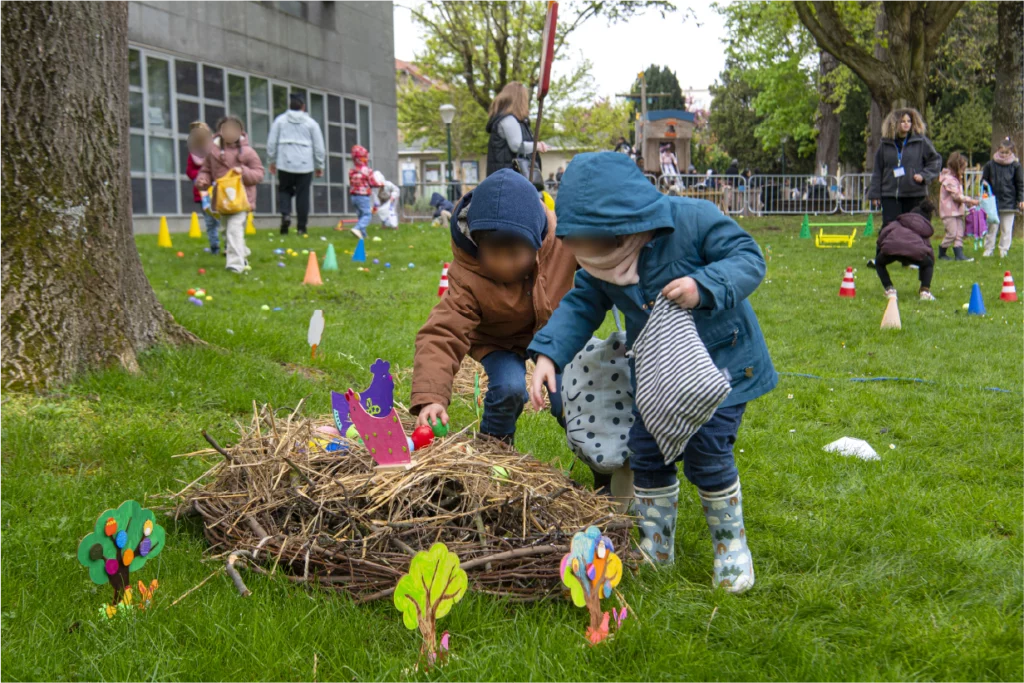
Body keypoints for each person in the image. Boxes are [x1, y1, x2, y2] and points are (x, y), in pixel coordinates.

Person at [528, 152, 776, 592]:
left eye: (599, 249)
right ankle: (656, 544)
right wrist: (548, 355)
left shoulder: (693, 220)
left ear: (628, 226)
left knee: (707, 452)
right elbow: (581, 304)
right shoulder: (600, 262)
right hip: (659, 377)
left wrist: (705, 287)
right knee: (647, 451)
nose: (595, 262)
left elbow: (748, 257)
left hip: (721, 372)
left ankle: (731, 548)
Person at [411, 169, 577, 447]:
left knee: (571, 394)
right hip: (499, 341)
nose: (503, 264)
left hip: (555, 336)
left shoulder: (564, 241)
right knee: (509, 388)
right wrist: (432, 398)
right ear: (477, 244)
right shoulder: (468, 275)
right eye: (493, 254)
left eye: (514, 255)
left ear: (536, 242)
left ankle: (601, 465)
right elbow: (442, 333)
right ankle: (494, 448)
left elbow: (598, 267)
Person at [195, 116, 264, 274]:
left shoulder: (248, 152)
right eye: (227, 129)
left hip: (241, 199)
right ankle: (242, 252)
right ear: (220, 131)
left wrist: (244, 171)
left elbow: (259, 174)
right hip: (223, 200)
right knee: (227, 231)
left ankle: (235, 264)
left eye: (234, 129)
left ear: (241, 132)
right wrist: (203, 180)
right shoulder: (212, 152)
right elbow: (206, 170)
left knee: (234, 229)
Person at [868, 108, 942, 226]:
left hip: (914, 194)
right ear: (894, 124)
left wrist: (924, 175)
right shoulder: (884, 145)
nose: (906, 123)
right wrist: (874, 194)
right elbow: (877, 170)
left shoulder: (921, 141)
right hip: (890, 195)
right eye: (903, 121)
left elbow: (935, 161)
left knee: (914, 228)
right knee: (890, 228)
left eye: (909, 121)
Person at [267, 94, 325, 236]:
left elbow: (271, 143)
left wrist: (272, 161)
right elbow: (319, 147)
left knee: (284, 190)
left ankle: (286, 215)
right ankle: (301, 228)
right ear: (303, 107)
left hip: (284, 162)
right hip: (305, 165)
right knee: (302, 196)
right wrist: (319, 165)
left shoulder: (279, 121)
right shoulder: (311, 123)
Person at [872, 199, 938, 301]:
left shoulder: (898, 222)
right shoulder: (924, 229)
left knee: (879, 263)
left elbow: (884, 233)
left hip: (891, 249)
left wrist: (881, 247)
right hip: (915, 252)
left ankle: (889, 289)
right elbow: (927, 248)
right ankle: (925, 291)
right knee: (928, 263)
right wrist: (930, 261)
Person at [485, 82, 548, 178]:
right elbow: (517, 146)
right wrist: (537, 146)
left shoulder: (511, 120)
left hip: (506, 177)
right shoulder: (509, 120)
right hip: (509, 179)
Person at [981, 137, 1024, 258]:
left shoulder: (1015, 166)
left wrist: (1021, 200)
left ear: (1011, 152)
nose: (1004, 155)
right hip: (992, 201)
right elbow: (984, 180)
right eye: (1002, 152)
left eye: (1006, 152)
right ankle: (988, 249)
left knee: (1006, 228)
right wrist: (984, 190)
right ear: (998, 150)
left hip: (1009, 201)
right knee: (992, 227)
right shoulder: (990, 165)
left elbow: (1020, 184)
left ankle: (1003, 250)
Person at [185, 121, 220, 255]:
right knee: (210, 221)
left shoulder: (216, 151)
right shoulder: (193, 155)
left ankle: (229, 247)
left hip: (218, 191)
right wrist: (202, 177)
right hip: (203, 193)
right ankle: (214, 246)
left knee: (222, 220)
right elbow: (189, 171)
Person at [938, 152, 979, 261]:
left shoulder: (955, 179)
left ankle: (959, 254)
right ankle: (942, 252)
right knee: (952, 233)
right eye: (963, 168)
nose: (964, 170)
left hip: (958, 211)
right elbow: (956, 196)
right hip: (948, 212)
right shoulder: (949, 180)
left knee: (959, 233)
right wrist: (970, 200)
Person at [347, 145, 381, 240]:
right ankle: (356, 228)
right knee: (367, 214)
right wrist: (380, 184)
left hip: (353, 196)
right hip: (363, 196)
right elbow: (372, 182)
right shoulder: (367, 170)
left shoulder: (352, 171)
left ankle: (363, 234)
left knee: (361, 215)